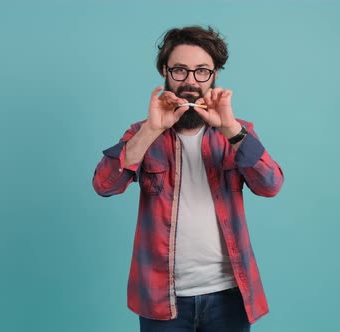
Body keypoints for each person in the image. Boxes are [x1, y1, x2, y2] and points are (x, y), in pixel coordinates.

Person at [92, 25, 284, 332]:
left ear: (215, 75)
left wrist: (231, 129)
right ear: (165, 73)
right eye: (180, 70)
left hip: (229, 296)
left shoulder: (237, 132)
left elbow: (271, 184)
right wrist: (151, 130)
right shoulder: (142, 133)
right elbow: (104, 185)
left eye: (201, 71)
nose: (190, 81)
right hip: (161, 299)